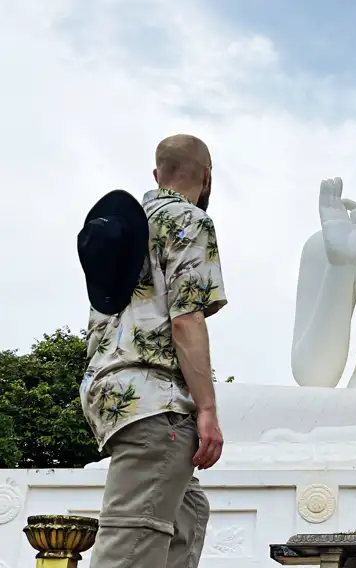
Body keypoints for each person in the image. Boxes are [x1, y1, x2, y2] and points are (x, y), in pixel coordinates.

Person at [77, 134, 227, 567]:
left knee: (188, 513)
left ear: (156, 174)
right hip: (153, 396)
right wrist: (207, 409)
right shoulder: (189, 220)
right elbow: (186, 319)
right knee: (132, 540)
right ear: (207, 175)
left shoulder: (122, 227)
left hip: (109, 390)